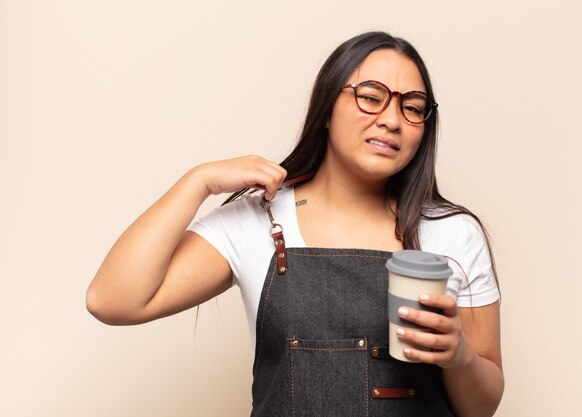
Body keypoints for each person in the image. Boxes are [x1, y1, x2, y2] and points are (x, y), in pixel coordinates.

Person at [87, 31, 504, 417]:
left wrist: (461, 355)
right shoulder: (259, 219)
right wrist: (199, 181)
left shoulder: (451, 231)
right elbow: (113, 300)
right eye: (371, 96)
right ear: (326, 108)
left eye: (411, 107)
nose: (392, 120)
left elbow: (481, 408)